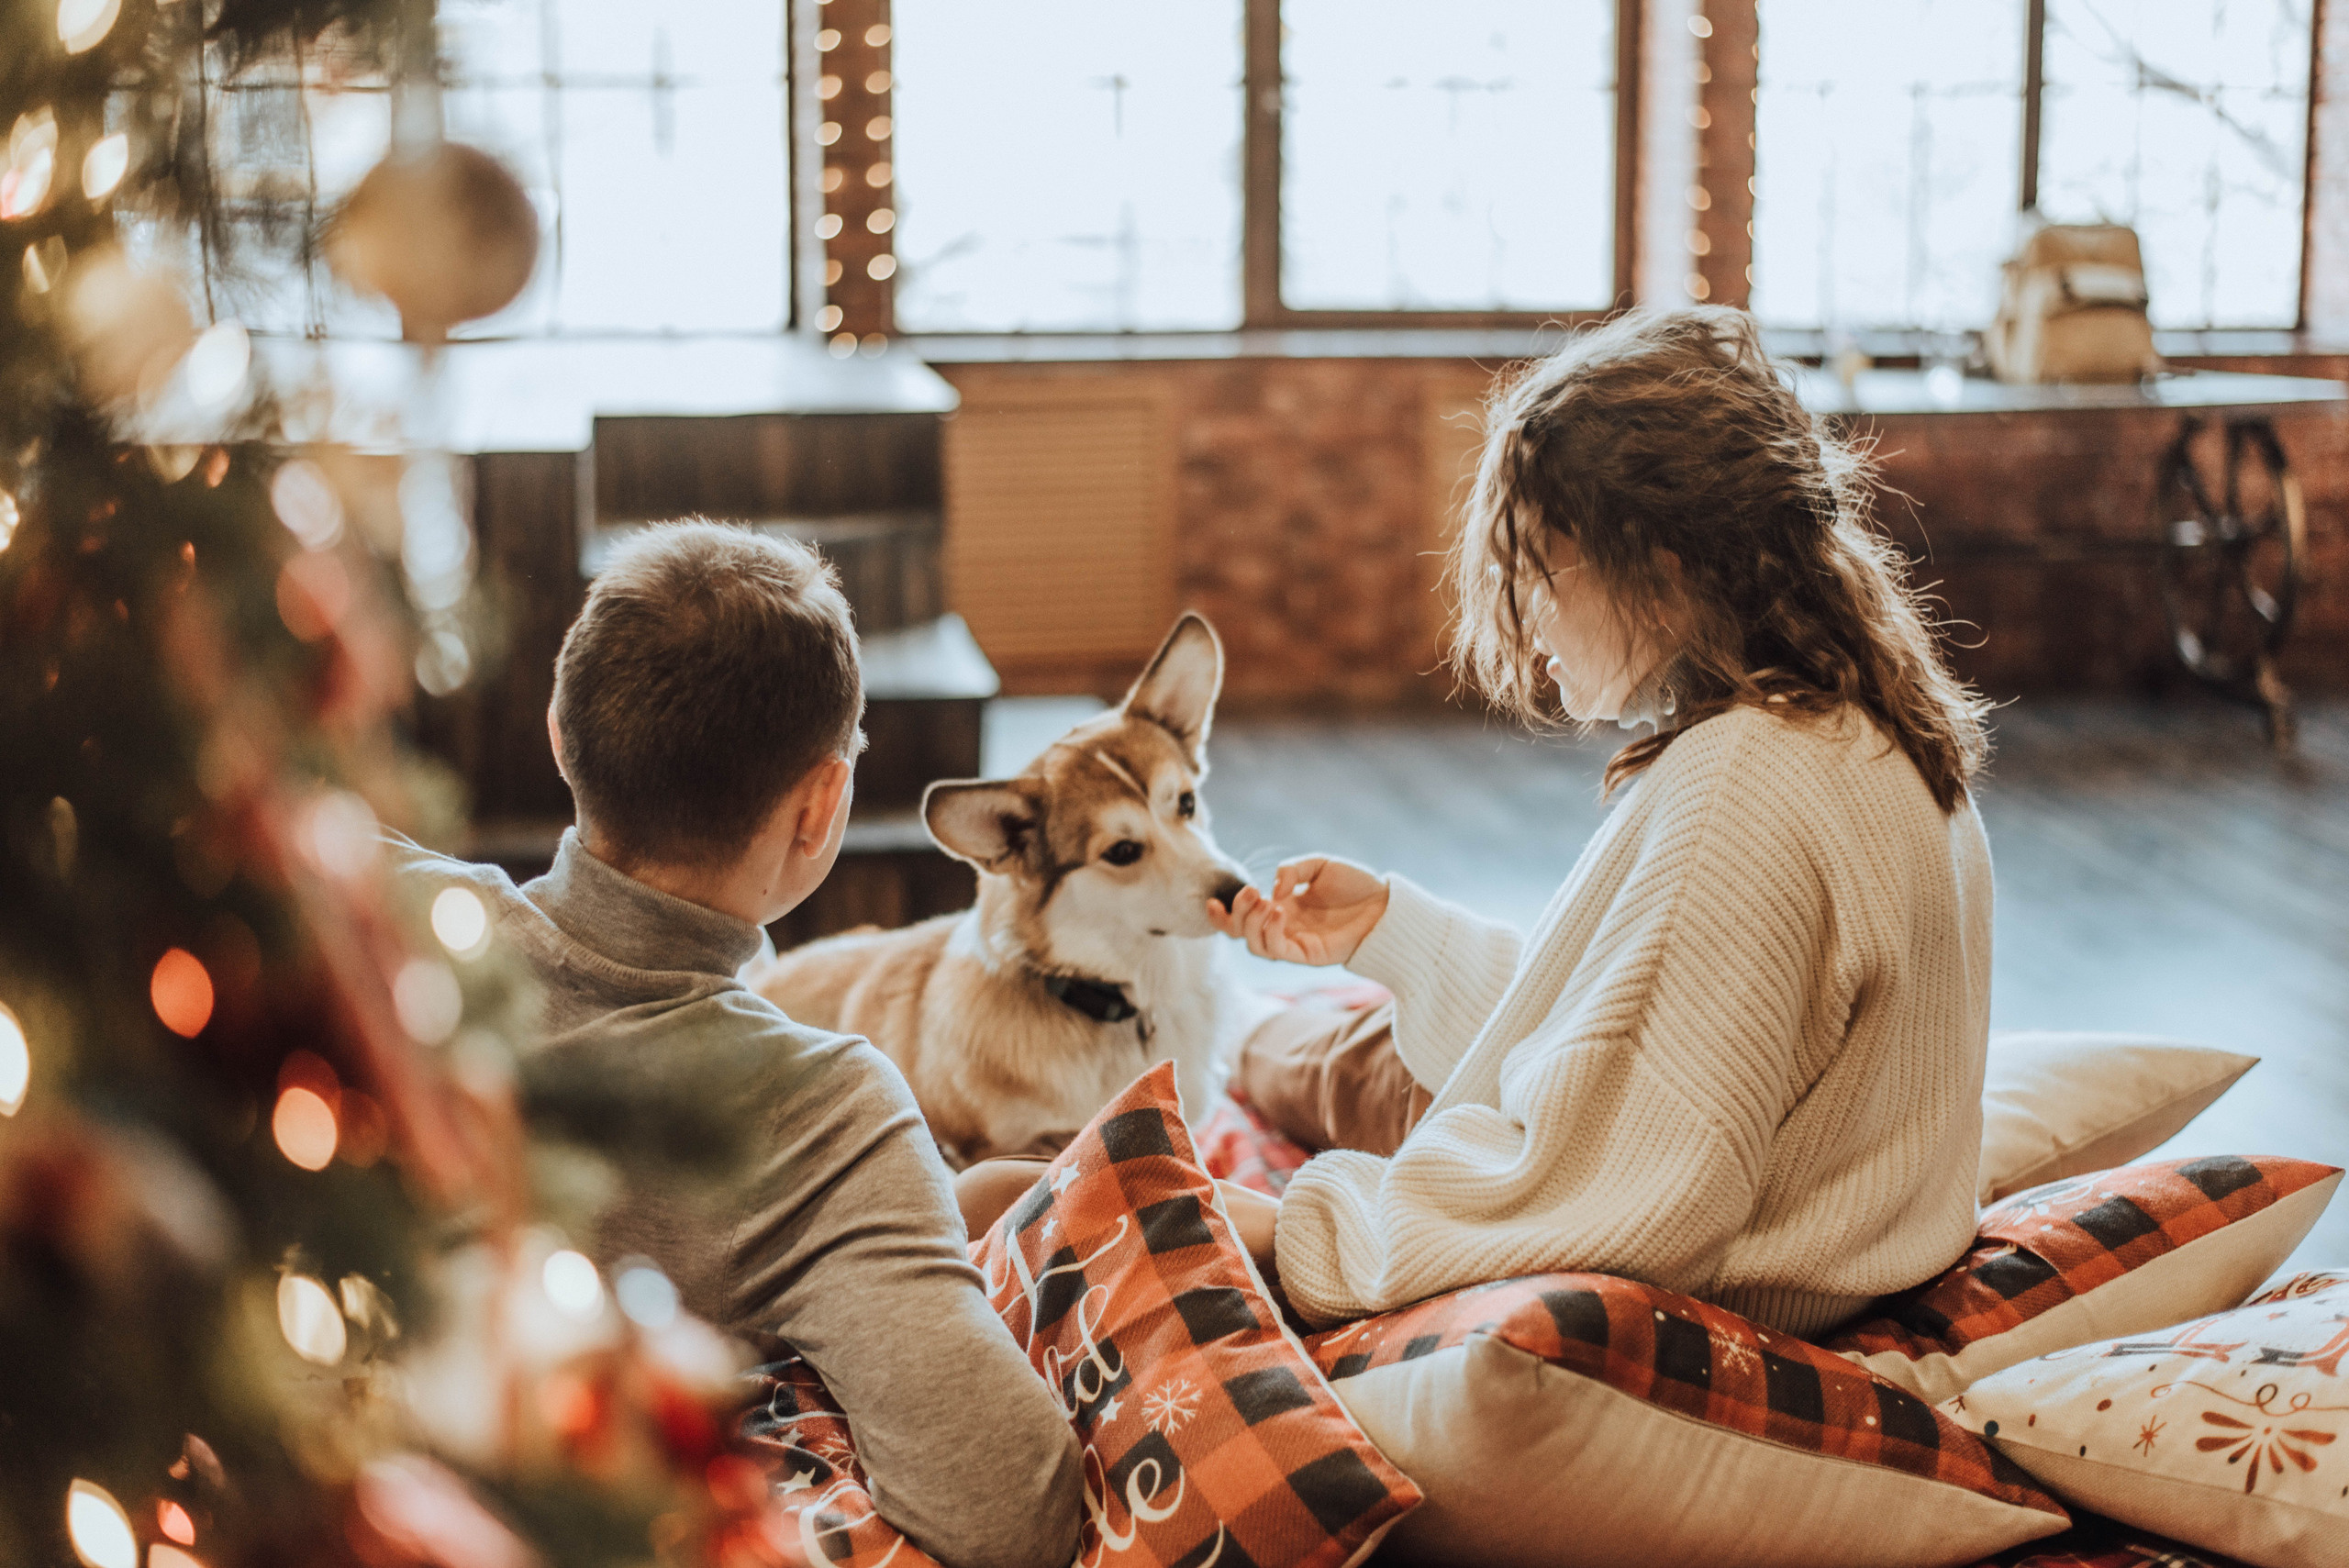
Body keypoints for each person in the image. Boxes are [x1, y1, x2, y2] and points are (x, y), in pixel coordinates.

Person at [1209, 307, 1997, 1340]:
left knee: (1039, 1185)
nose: (1526, 613)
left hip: (1751, 1278)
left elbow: (1629, 1194)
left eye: (1541, 566)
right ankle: (1240, 1028)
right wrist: (1391, 928)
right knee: (1337, 1047)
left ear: (1661, 566)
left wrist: (1286, 1230)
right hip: (1812, 1226)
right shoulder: (1862, 726)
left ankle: (1233, 1028)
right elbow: (1651, 1013)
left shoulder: (1744, 790)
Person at [390, 521, 1082, 1568]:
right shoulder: (825, 1114)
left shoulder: (360, 903)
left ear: (558, 732)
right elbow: (1010, 1508)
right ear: (821, 807)